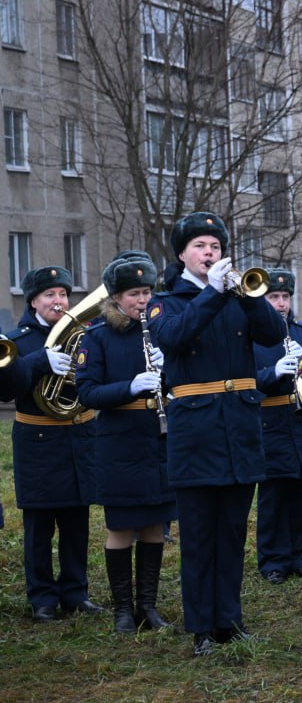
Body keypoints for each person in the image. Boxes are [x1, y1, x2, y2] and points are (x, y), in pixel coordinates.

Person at [146, 211, 286, 655]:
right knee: (200, 535)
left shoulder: (235, 296)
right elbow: (175, 337)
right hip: (196, 432)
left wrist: (245, 297)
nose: (211, 254)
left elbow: (274, 332)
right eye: (201, 247)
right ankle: (202, 627)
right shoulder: (165, 301)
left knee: (232, 532)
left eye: (217, 247)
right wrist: (211, 293)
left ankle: (230, 620)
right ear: (183, 254)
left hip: (240, 427)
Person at [76, 254, 176, 633]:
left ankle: (147, 607)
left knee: (154, 524)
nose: (143, 300)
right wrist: (129, 387)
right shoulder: (97, 336)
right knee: (120, 527)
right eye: (135, 293)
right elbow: (86, 392)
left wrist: (171, 371)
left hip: (157, 440)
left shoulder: (162, 331)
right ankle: (122, 609)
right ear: (116, 298)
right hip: (119, 443)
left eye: (148, 292)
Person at [2, 265, 103, 622]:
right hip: (38, 441)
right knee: (39, 526)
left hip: (77, 437)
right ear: (33, 302)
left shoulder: (85, 334)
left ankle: (76, 591)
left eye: (62, 294)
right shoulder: (18, 341)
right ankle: (42, 596)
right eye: (50, 295)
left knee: (77, 521)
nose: (58, 301)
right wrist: (39, 362)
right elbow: (4, 389)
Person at [253, 269, 302, 583]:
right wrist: (274, 371)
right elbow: (248, 383)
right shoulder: (252, 338)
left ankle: (300, 558)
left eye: (285, 297)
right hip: (270, 422)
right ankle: (273, 561)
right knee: (273, 496)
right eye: (273, 297)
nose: (281, 303)